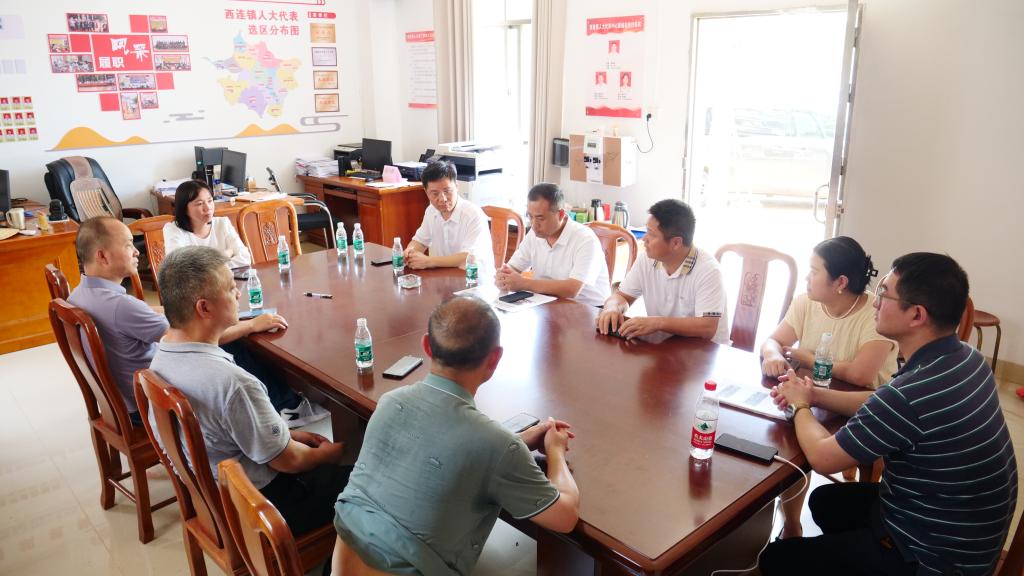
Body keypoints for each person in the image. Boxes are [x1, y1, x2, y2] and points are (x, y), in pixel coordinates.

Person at [760, 253, 1017, 576]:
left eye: (884, 294)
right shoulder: (967, 358)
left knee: (775, 559)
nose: (876, 302)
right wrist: (814, 394)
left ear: (917, 315)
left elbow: (823, 458)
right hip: (966, 533)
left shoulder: (910, 395)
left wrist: (800, 406)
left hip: (932, 557)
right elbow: (881, 401)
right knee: (826, 502)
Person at [332, 296, 580, 575]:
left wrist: (517, 443)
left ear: (427, 346)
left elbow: (439, 452)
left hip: (342, 562)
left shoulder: (390, 401)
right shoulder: (495, 445)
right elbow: (565, 517)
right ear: (495, 358)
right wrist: (555, 451)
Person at [147, 246, 352, 536]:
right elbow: (290, 461)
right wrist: (332, 454)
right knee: (368, 480)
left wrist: (285, 435)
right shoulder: (233, 383)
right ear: (204, 308)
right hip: (263, 507)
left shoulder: (163, 355)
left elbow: (222, 428)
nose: (239, 294)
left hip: (215, 495)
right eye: (231, 289)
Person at [68, 216, 305, 424]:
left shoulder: (79, 295)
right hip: (153, 403)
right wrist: (252, 325)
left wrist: (179, 307)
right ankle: (287, 406)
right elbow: (191, 337)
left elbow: (143, 312)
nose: (136, 251)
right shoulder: (121, 307)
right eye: (128, 245)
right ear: (102, 256)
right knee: (231, 342)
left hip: (123, 400)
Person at [760, 236, 899, 538]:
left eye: (814, 271)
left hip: (862, 404)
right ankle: (792, 524)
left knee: (798, 440)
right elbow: (774, 340)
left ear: (840, 282)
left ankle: (848, 526)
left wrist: (805, 357)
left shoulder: (874, 313)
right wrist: (773, 354)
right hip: (812, 395)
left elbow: (860, 375)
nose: (807, 278)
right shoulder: (807, 302)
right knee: (785, 436)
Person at [596, 199, 730, 344]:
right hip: (665, 346)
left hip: (704, 351)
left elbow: (707, 327)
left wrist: (658, 323)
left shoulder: (708, 271)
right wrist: (612, 308)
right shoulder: (646, 259)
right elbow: (622, 296)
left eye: (652, 234)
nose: (644, 239)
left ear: (676, 243)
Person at [496, 183, 610, 307]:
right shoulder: (534, 233)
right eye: (530, 216)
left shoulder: (585, 239)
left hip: (588, 309)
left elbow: (572, 289)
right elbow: (512, 268)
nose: (534, 225)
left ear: (560, 214)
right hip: (547, 302)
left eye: (540, 218)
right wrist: (504, 276)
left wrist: (523, 283)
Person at [403, 160, 495, 277]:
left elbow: (468, 257)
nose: (443, 199)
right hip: (446, 278)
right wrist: (409, 252)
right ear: (426, 192)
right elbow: (420, 241)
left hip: (476, 280)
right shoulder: (431, 211)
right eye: (435, 194)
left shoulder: (473, 214)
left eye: (447, 191)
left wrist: (429, 261)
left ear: (456, 186)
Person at [163, 179, 252, 269]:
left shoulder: (222, 223)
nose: (208, 208)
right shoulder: (173, 230)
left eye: (210, 201)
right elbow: (178, 268)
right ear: (184, 208)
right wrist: (224, 256)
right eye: (199, 204)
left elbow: (245, 258)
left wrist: (207, 267)